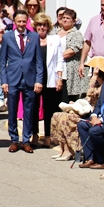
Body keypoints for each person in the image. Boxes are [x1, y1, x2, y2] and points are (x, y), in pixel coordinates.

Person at [0, 10, 44, 152]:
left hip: (29, 79)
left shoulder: (34, 37)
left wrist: (39, 80)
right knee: (12, 110)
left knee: (29, 111)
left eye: (24, 21)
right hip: (13, 78)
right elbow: (2, 61)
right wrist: (4, 81)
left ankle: (26, 140)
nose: (21, 24)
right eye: (18, 21)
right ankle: (14, 139)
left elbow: (38, 61)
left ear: (27, 22)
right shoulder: (7, 37)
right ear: (14, 22)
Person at [34, 13, 64, 147]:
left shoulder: (55, 39)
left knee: (48, 108)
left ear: (48, 27)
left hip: (50, 78)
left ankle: (48, 137)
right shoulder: (32, 39)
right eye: (39, 25)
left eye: (44, 25)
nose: (42, 27)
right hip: (35, 78)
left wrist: (59, 78)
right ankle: (34, 135)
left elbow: (59, 60)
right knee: (34, 108)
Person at [58, 9, 84, 100]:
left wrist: (58, 57)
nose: (65, 20)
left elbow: (72, 50)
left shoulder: (76, 34)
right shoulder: (55, 32)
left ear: (73, 21)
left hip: (69, 70)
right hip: (57, 70)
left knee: (68, 97)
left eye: (68, 18)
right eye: (63, 18)